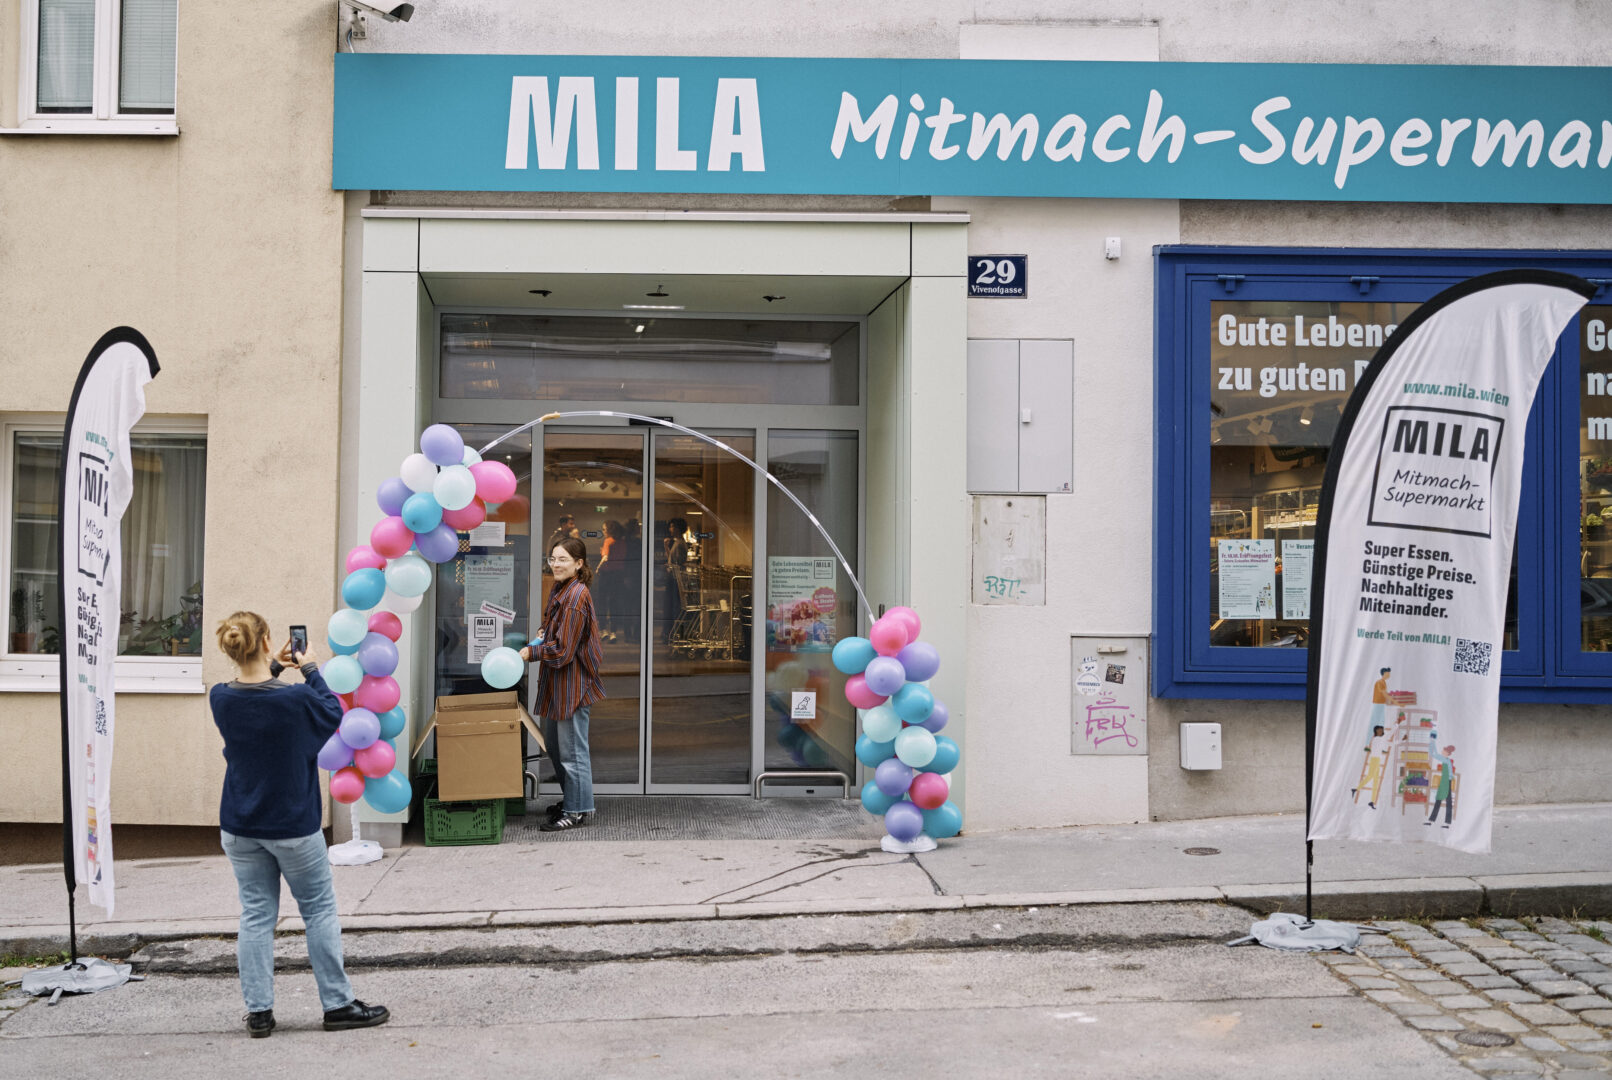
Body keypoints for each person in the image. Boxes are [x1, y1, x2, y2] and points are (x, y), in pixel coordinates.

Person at [208, 611, 389, 1038]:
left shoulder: (221, 697)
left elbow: (253, 689)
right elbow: (331, 710)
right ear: (268, 640)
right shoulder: (295, 700)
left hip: (239, 824)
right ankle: (338, 1004)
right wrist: (307, 666)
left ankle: (259, 1013)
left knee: (256, 915)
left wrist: (272, 666)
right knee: (319, 910)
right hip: (291, 824)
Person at [521, 537, 605, 831]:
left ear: (579, 564)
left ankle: (577, 810)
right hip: (558, 684)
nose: (556, 564)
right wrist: (546, 632)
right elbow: (557, 634)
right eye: (552, 559)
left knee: (572, 751)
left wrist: (531, 652)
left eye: (563, 560)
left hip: (572, 685)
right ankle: (572, 798)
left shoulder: (575, 597)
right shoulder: (562, 589)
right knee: (557, 748)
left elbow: (565, 650)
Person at [1426, 743, 1457, 828]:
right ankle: (1435, 821)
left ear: (1447, 753)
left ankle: (1435, 821)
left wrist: (1433, 742)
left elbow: (1434, 754)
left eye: (1444, 750)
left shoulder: (1446, 760)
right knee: (1444, 801)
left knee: (1443, 800)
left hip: (1446, 782)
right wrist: (1432, 744)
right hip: (1446, 781)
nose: (1442, 751)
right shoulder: (1446, 760)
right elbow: (1434, 754)